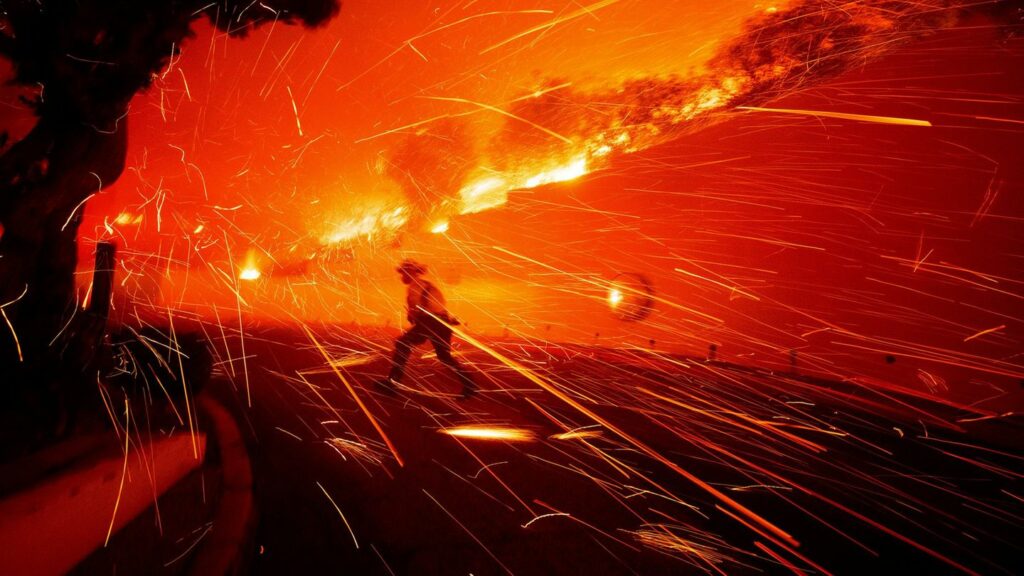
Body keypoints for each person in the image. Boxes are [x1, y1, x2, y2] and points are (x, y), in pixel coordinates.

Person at [379, 259, 476, 398]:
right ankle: (470, 385)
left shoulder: (414, 286)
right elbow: (439, 305)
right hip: (442, 322)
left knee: (402, 344)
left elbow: (417, 310)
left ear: (410, 272)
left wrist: (412, 314)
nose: (402, 276)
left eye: (403, 273)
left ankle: (393, 383)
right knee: (444, 356)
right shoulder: (428, 285)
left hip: (430, 322)